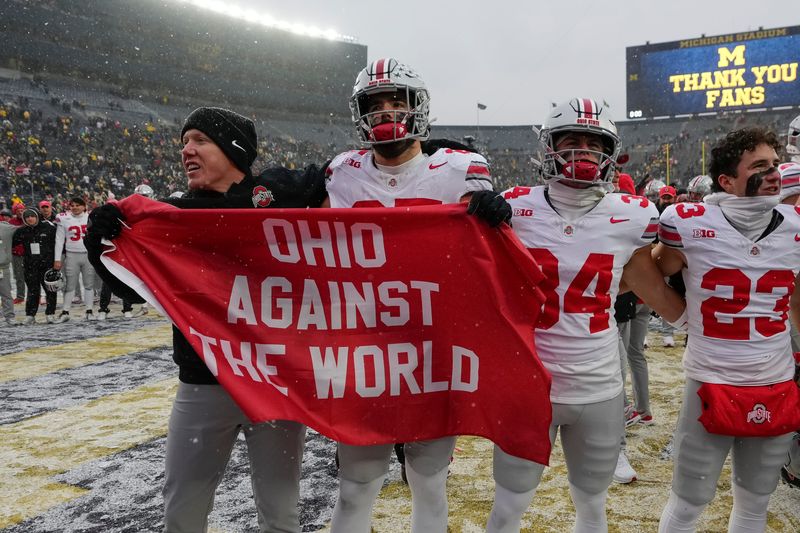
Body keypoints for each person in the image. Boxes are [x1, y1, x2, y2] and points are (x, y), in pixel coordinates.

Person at [86, 106, 328, 533]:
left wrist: (448, 155)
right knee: (182, 511)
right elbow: (131, 290)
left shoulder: (275, 191)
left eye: (198, 140)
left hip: (274, 381)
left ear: (233, 148)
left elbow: (354, 170)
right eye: (183, 143)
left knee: (282, 513)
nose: (186, 150)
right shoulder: (174, 213)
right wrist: (99, 245)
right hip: (203, 381)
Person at [324, 57, 510, 533]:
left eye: (396, 102)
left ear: (418, 108)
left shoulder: (461, 168)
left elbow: (484, 255)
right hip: (367, 347)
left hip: (431, 349)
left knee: (427, 481)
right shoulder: (340, 172)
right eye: (374, 104)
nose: (386, 113)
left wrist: (494, 216)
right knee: (356, 485)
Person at [486, 98, 685, 533]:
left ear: (609, 153)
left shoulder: (631, 214)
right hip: (529, 382)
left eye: (594, 144)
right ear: (549, 147)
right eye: (571, 141)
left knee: (592, 506)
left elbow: (649, 285)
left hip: (598, 385)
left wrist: (700, 323)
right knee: (507, 507)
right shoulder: (513, 208)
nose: (582, 152)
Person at [654, 127, 800, 532]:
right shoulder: (690, 223)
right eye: (758, 166)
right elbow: (650, 272)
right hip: (710, 382)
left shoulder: (794, 224)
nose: (772, 173)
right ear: (726, 181)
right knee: (688, 503)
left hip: (774, 379)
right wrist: (680, 317)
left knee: (755, 504)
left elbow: (796, 297)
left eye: (774, 164)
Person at [12, 207, 57, 324]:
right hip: (30, 265)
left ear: (37, 216)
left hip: (47, 265)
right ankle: (30, 315)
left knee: (50, 290)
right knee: (33, 291)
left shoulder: (49, 228)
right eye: (27, 217)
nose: (30, 219)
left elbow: (58, 244)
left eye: (32, 216)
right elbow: (10, 243)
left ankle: (50, 313)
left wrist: (57, 261)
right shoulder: (22, 231)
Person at [54, 197, 95, 321]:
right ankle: (65, 311)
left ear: (84, 206)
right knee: (70, 285)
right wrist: (57, 259)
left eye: (78, 205)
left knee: (89, 284)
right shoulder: (63, 218)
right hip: (72, 254)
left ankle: (89, 310)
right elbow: (59, 240)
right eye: (72, 205)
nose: (75, 207)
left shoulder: (91, 217)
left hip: (88, 254)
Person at [0, 218, 18, 325]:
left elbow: (24, 227)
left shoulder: (6, 228)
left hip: (2, 267)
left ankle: (9, 316)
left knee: (6, 293)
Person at [9, 203, 26, 303]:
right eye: (18, 210)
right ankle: (20, 296)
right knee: (19, 276)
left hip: (29, 252)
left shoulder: (30, 218)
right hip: (16, 253)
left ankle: (36, 296)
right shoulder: (11, 222)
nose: (20, 211)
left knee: (33, 276)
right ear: (15, 211)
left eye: (22, 209)